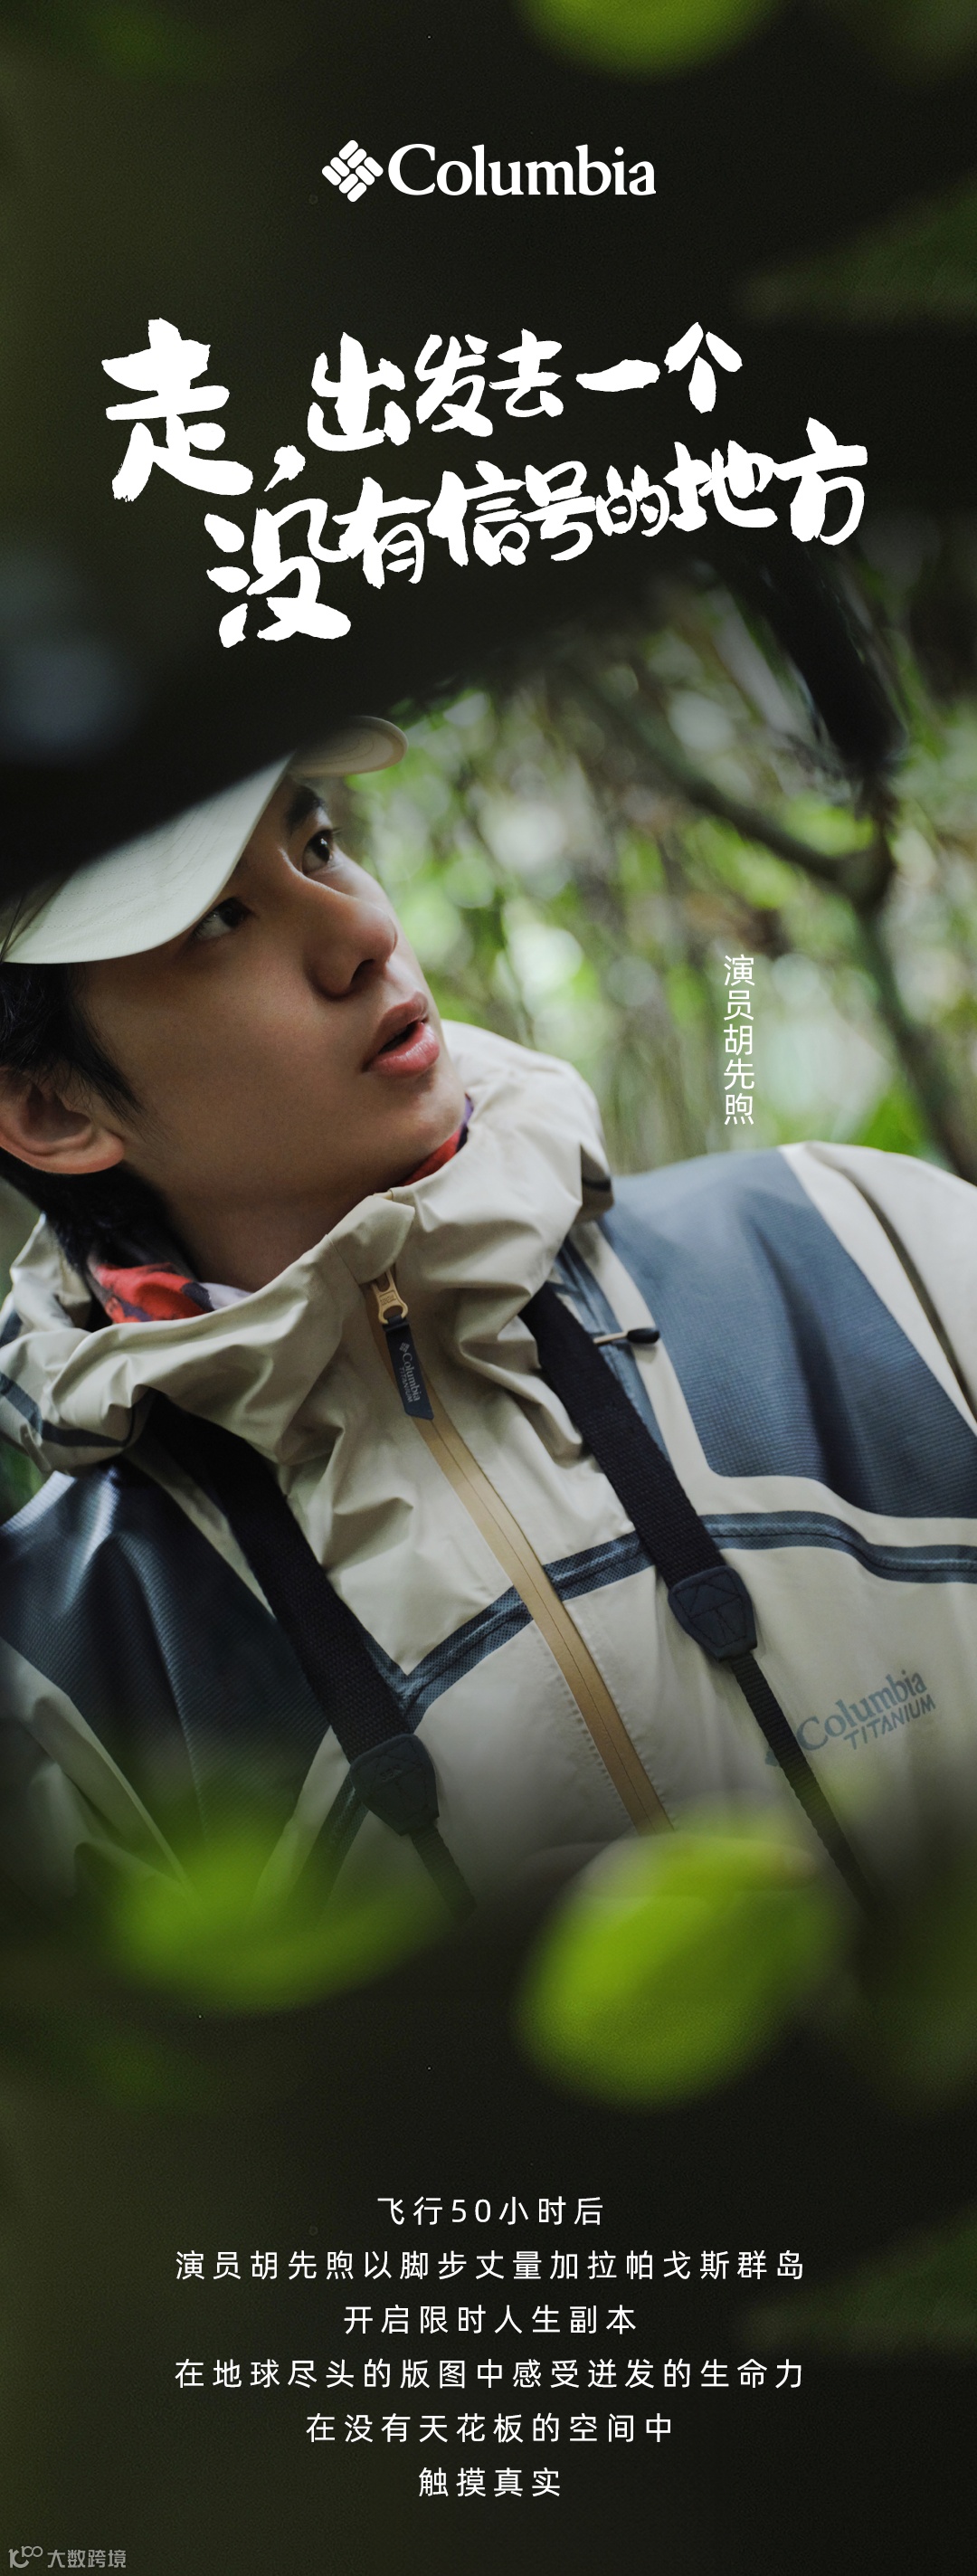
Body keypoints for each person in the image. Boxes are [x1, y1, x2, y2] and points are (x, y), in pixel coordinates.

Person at [0, 714, 976, 1917]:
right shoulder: (57, 1677)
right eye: (220, 921)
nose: (363, 934)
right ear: (53, 1112)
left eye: (319, 846)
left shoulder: (863, 1246)